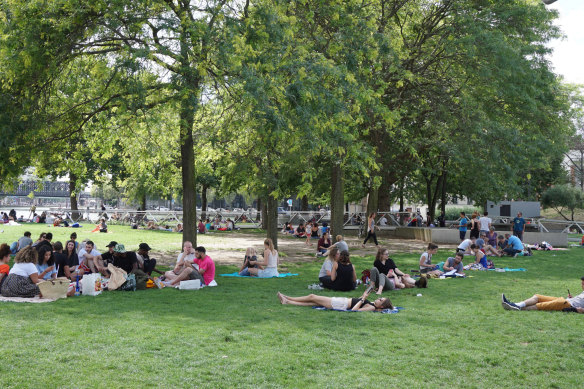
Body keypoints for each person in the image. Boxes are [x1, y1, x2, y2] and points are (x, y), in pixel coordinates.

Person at [501, 277, 584, 312]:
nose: (582, 285)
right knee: (537, 297)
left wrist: (578, 310)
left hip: (567, 305)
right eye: (582, 283)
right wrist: (571, 298)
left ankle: (514, 307)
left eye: (583, 284)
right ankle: (517, 304)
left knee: (540, 305)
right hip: (565, 300)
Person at [277, 289, 394, 312]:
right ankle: (287, 302)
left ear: (382, 306)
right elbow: (357, 302)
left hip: (340, 304)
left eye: (381, 300)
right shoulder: (373, 304)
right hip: (341, 301)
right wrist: (362, 297)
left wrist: (363, 298)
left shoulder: (372, 307)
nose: (378, 298)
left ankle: (288, 297)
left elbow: (354, 310)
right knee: (313, 302)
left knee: (312, 296)